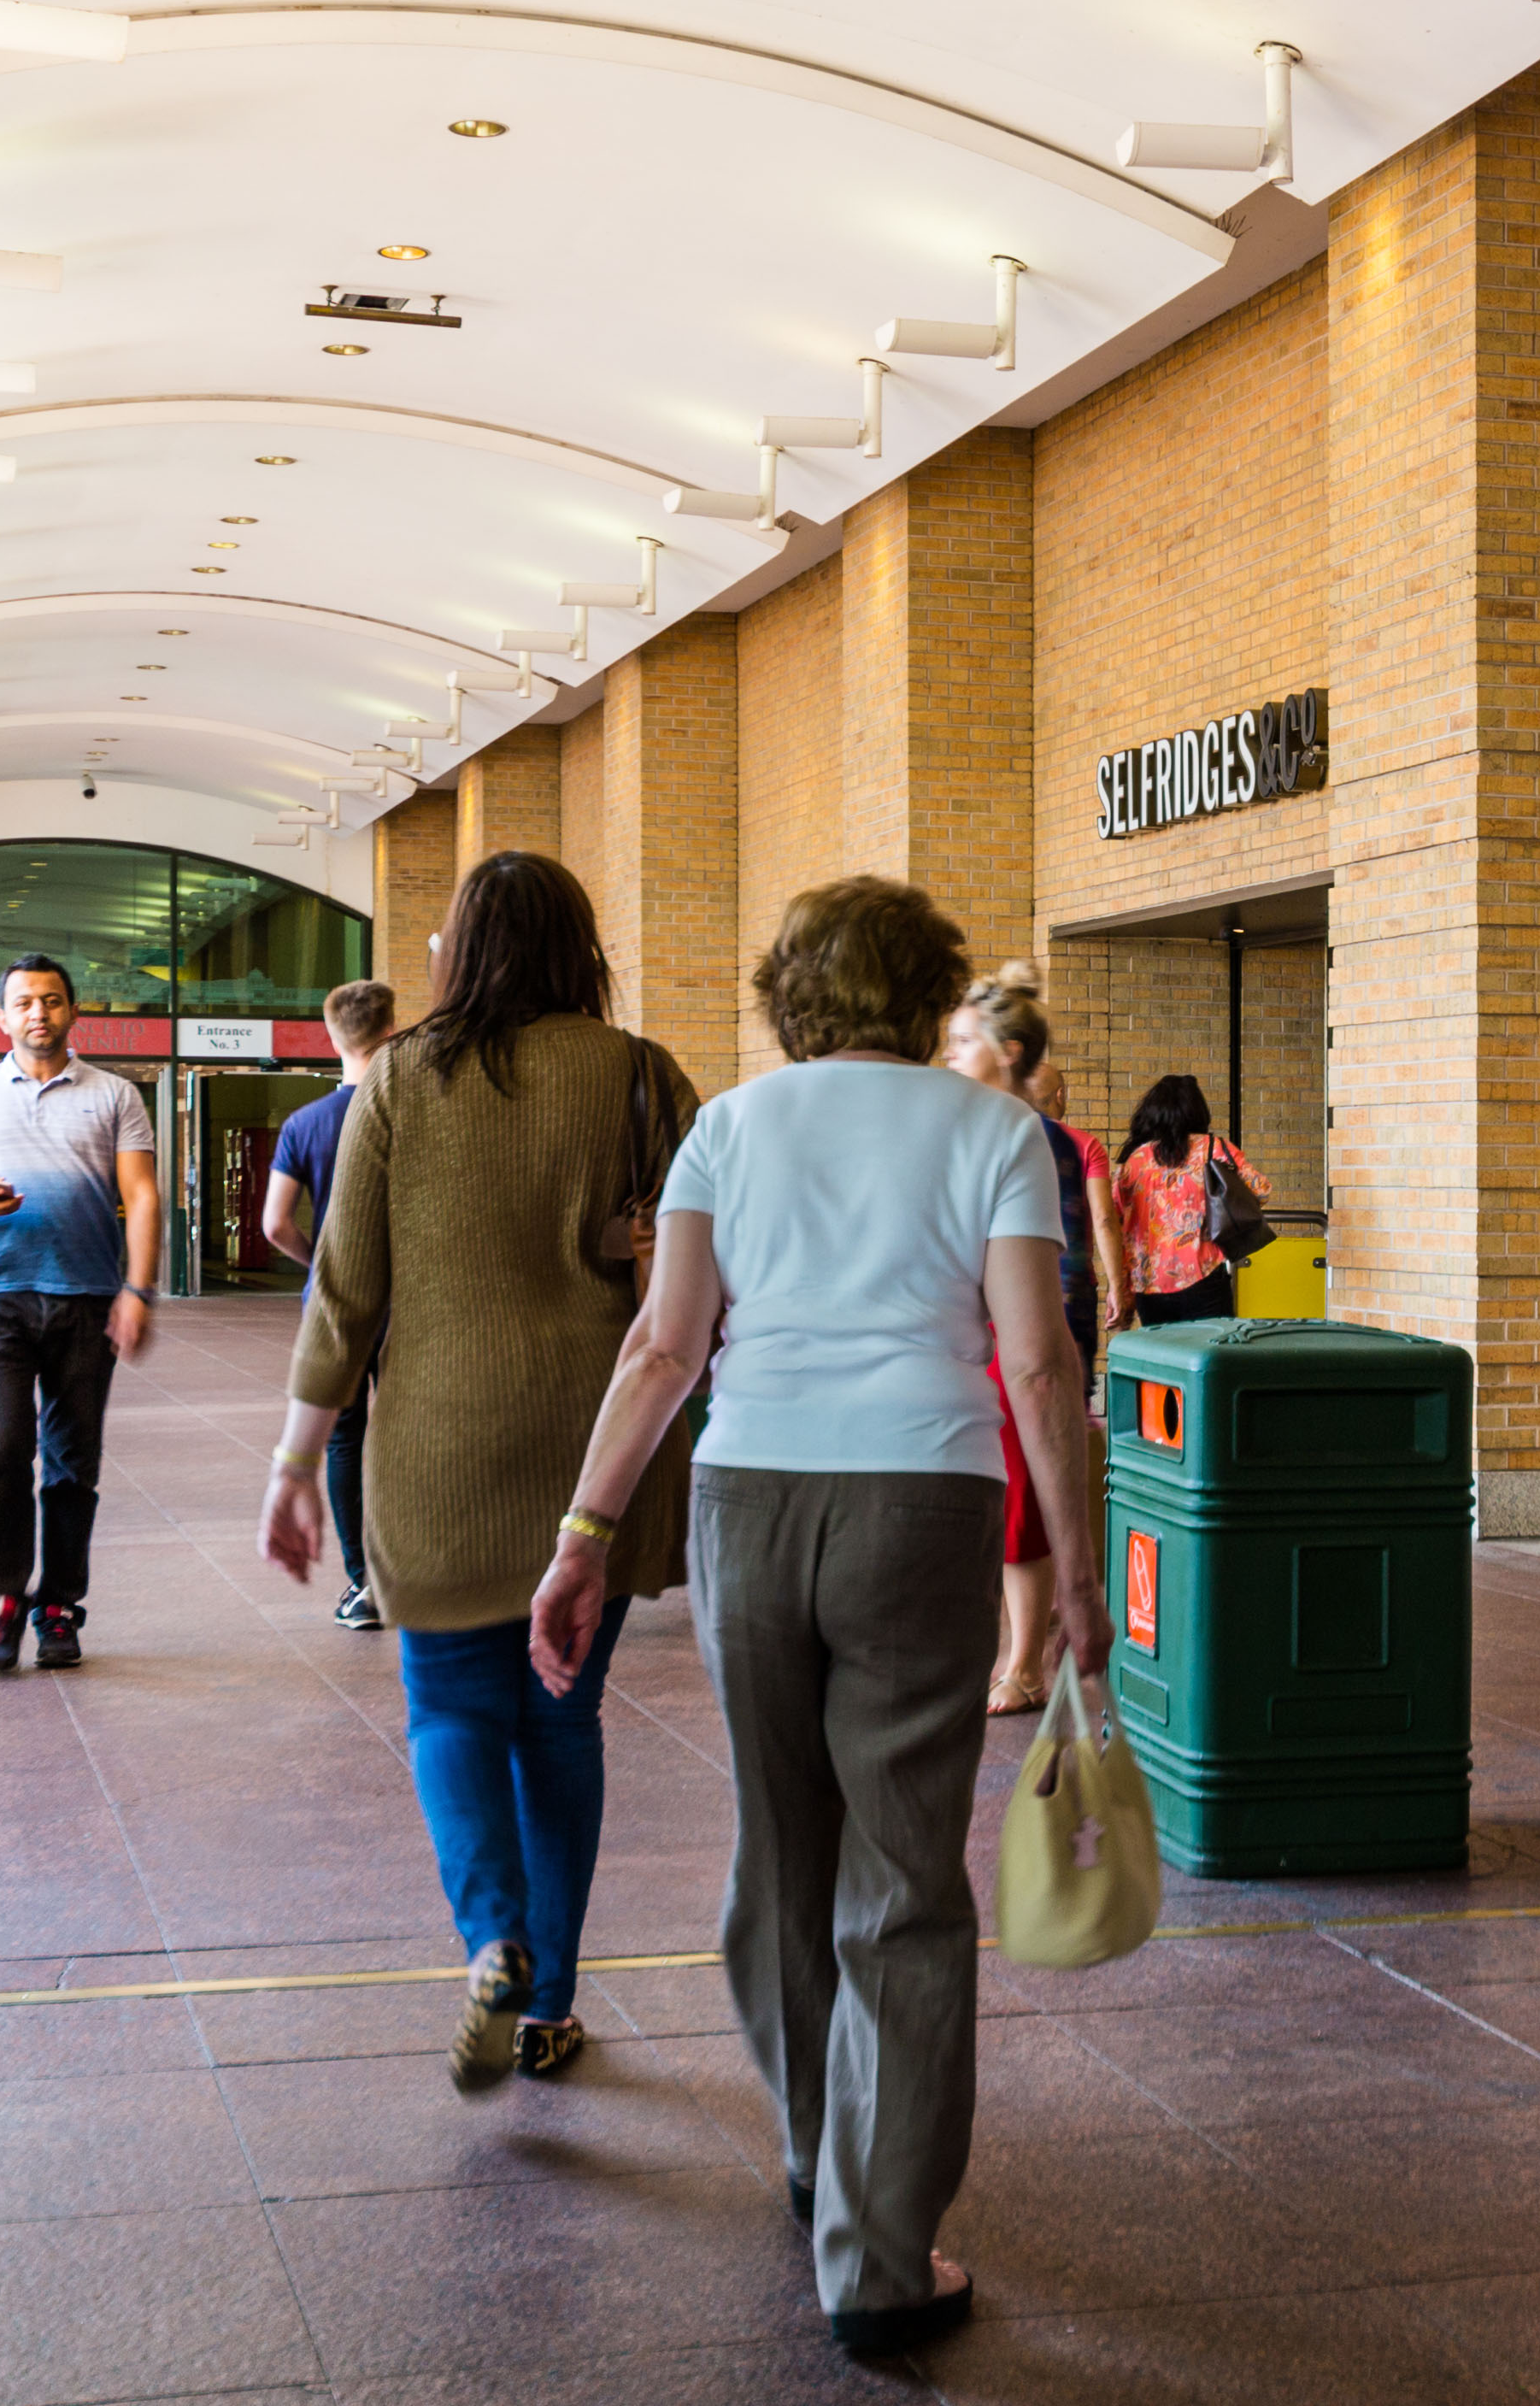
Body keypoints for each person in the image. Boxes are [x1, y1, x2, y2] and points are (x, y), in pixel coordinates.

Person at [529, 874, 1100, 2361]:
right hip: (923, 1504)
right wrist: (1082, 1578)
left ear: (790, 992)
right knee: (904, 1874)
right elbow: (1038, 1368)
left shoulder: (730, 1126)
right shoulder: (995, 1133)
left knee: (780, 1848)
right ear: (929, 995)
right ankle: (879, 2259)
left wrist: (586, 1534)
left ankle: (812, 2147)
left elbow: (665, 1348)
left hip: (748, 1500)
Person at [257, 855, 699, 2092]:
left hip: (437, 1451)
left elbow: (344, 1294)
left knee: (453, 1709)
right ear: (580, 944)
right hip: (597, 1452)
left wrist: (296, 1463)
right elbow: (702, 1251)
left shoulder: (396, 1079)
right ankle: (549, 2004)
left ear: (462, 952)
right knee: (561, 1722)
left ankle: (491, 1936)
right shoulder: (640, 1076)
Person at [0, 956, 161, 1674]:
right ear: (3, 1018)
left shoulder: (115, 1096)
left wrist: (137, 1291)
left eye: (51, 1000)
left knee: (73, 1463)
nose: (38, 1013)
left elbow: (140, 1196)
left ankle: (59, 1606)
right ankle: (3, 1599)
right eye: (23, 1003)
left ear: (74, 1012)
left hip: (86, 1297)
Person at [940, 965, 1119, 1714]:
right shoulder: (984, 1132)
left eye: (961, 1042)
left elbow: (1059, 1262)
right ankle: (1017, 1652)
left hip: (1021, 1339)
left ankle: (1022, 1666)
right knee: (1007, 1498)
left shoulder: (1025, 1140)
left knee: (1023, 1505)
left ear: (1008, 1051)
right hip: (992, 1336)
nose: (948, 1055)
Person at [260, 979, 398, 1629]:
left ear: (331, 1036)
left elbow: (275, 1224)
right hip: (408, 1301)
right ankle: (410, 1571)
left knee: (343, 1440)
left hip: (336, 1303)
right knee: (403, 1434)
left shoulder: (304, 1124)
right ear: (393, 1031)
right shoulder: (410, 1112)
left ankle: (360, 1583)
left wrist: (322, 1260)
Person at [1111, 1074, 1261, 1328]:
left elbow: (1115, 1221)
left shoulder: (1134, 1160)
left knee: (1164, 1361)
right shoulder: (1213, 1148)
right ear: (1197, 1111)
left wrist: (1121, 1288)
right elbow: (1260, 1189)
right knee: (1213, 1358)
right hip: (1203, 1276)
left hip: (1148, 1285)